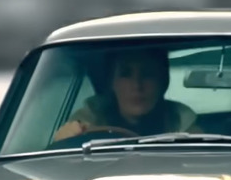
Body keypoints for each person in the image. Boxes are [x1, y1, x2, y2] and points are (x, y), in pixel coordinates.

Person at [52, 47, 199, 141]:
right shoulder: (87, 121)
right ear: (112, 82)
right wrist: (64, 140)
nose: (137, 85)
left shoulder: (182, 123)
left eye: (147, 74)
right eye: (125, 74)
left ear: (162, 82)